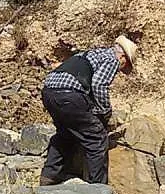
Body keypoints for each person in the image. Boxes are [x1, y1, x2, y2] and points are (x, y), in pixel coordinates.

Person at [39, 36, 137, 185]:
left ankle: (49, 177)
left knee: (66, 133)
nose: (121, 69)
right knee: (97, 137)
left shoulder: (90, 54)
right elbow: (99, 84)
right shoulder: (112, 59)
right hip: (69, 95)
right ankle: (97, 189)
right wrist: (105, 112)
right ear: (123, 57)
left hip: (49, 93)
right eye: (125, 66)